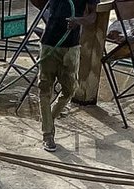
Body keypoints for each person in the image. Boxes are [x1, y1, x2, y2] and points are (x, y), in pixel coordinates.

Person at [38, 0, 94, 150]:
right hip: (49, 43)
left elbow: (92, 17)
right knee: (44, 89)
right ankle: (48, 134)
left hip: (71, 47)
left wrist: (78, 21)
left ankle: (49, 118)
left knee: (69, 90)